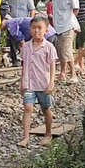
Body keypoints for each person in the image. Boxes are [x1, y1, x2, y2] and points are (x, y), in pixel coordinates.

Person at [17, 15, 57, 148]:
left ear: (46, 30)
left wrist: (51, 82)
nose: (36, 31)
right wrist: (22, 82)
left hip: (43, 84)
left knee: (46, 109)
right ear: (30, 30)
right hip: (29, 83)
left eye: (40, 28)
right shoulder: (26, 47)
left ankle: (48, 134)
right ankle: (26, 137)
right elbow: (24, 65)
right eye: (34, 28)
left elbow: (52, 66)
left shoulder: (49, 47)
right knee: (28, 107)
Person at [49, 0, 80, 84]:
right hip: (58, 27)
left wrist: (70, 19)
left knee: (67, 50)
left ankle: (73, 74)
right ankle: (62, 73)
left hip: (68, 25)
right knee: (60, 50)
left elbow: (76, 7)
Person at [7, 0, 36, 67]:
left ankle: (27, 59)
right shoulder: (11, 0)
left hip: (24, 24)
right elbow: (9, 10)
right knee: (12, 42)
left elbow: (32, 10)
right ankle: (15, 60)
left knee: (25, 42)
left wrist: (32, 22)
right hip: (13, 24)